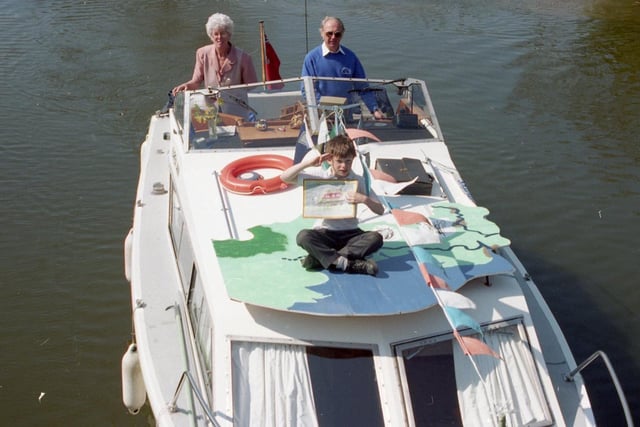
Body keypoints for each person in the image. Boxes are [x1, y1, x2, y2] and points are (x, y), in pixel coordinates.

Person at [281, 135, 385, 276]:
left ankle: (321, 258)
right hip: (325, 232)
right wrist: (306, 164)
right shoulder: (320, 176)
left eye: (348, 161)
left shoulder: (358, 180)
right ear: (329, 160)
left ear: (353, 160)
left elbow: (380, 210)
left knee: (376, 238)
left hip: (351, 234)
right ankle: (349, 264)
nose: (344, 166)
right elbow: (285, 177)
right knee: (303, 236)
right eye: (339, 161)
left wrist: (365, 199)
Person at [172, 13, 258, 118]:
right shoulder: (202, 53)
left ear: (229, 34)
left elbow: (252, 86)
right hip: (211, 111)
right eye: (216, 34)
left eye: (223, 33)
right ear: (211, 36)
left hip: (236, 111)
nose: (219, 37)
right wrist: (187, 85)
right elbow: (196, 81)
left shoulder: (244, 58)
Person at [301, 16, 384, 120]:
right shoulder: (311, 58)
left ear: (342, 34)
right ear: (322, 33)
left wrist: (374, 109)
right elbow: (306, 89)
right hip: (321, 116)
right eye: (329, 33)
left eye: (337, 34)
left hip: (346, 114)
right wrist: (324, 107)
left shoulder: (351, 57)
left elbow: (363, 87)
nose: (333, 37)